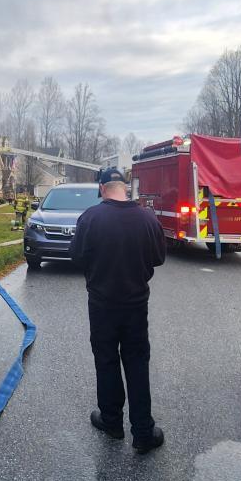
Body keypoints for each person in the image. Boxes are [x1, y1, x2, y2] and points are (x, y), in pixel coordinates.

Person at [70, 167, 166, 454]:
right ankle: (143, 433)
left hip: (101, 305)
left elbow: (76, 256)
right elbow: (158, 258)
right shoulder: (148, 218)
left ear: (101, 189)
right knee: (137, 363)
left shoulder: (90, 218)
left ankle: (111, 422)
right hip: (136, 305)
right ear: (125, 188)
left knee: (106, 360)